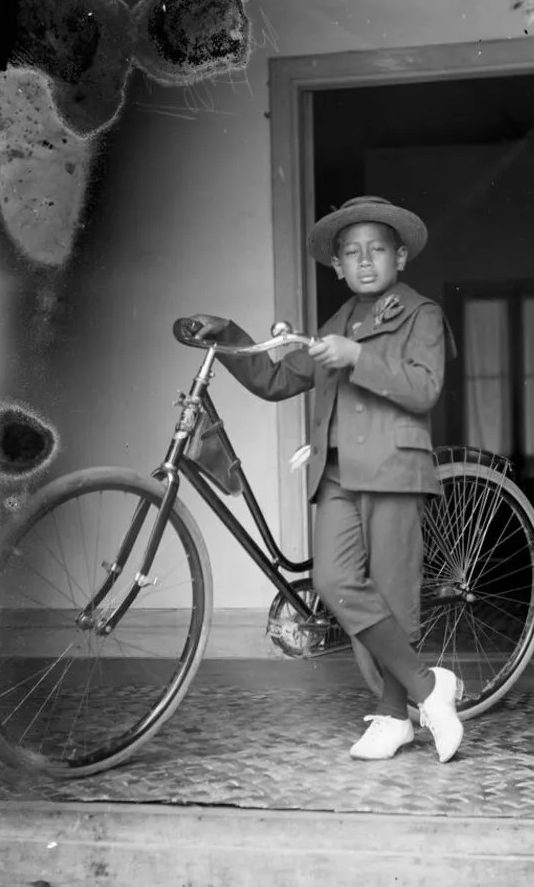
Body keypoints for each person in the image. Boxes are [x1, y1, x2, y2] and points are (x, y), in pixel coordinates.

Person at [190, 196, 463, 763]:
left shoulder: (422, 314)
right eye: (351, 254)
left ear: (401, 258)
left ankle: (394, 718)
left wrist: (356, 356)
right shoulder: (337, 323)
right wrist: (231, 336)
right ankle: (427, 687)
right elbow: (274, 379)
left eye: (377, 251)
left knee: (390, 597)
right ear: (337, 266)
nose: (365, 262)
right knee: (335, 582)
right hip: (336, 473)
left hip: (393, 469)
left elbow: (424, 387)